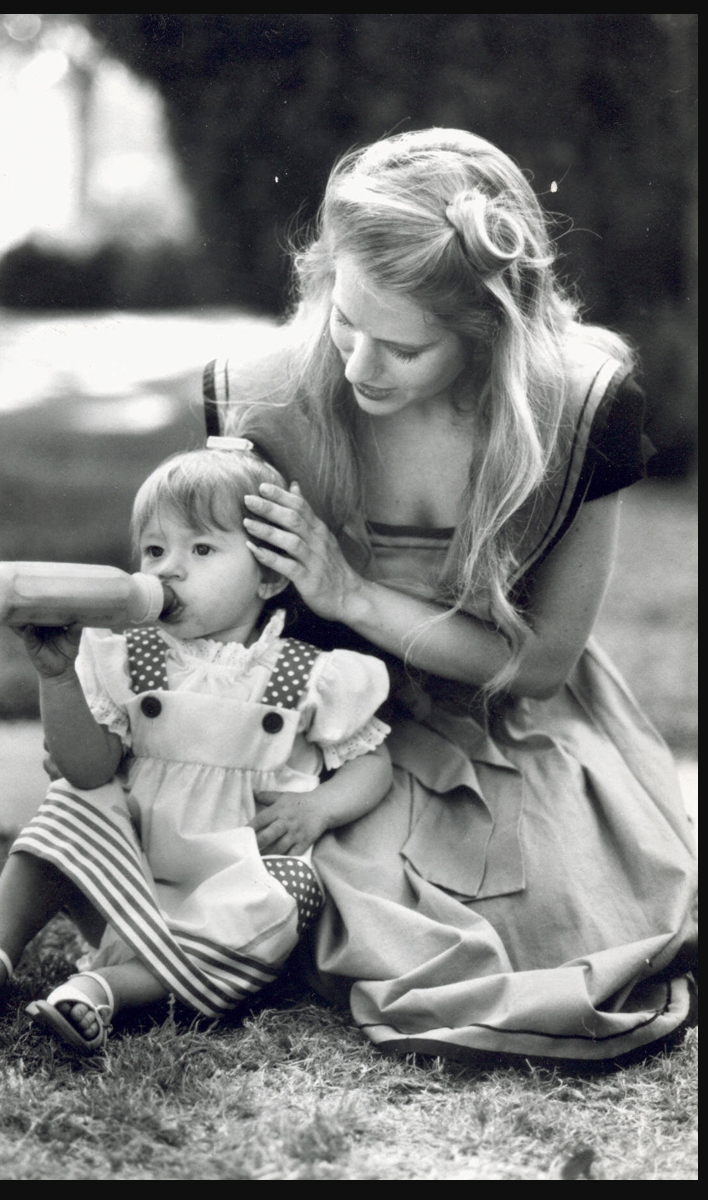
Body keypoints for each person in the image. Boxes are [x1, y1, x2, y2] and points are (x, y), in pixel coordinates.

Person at [190, 127, 696, 1066]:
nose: (358, 367)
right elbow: (218, 617)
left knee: (558, 913)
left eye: (403, 348)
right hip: (328, 726)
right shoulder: (262, 399)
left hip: (509, 717)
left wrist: (352, 593)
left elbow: (540, 668)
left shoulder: (578, 408)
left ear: (488, 335)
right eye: (346, 321)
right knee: (286, 882)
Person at [0, 446, 393, 1053]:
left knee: (287, 892)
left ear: (269, 576)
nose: (169, 569)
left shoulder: (306, 673)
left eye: (200, 550)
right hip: (123, 870)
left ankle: (103, 990)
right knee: (72, 799)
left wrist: (320, 808)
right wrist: (57, 677)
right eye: (154, 550)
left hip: (226, 883)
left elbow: (372, 763)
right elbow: (87, 769)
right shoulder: (129, 657)